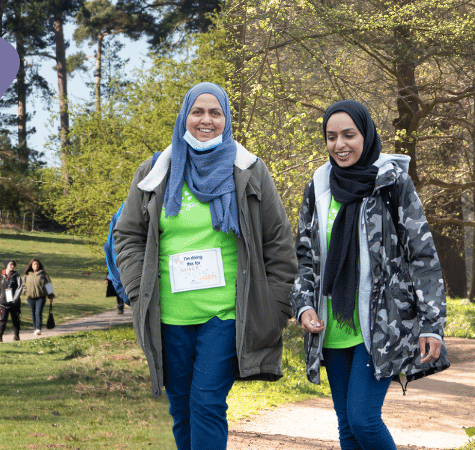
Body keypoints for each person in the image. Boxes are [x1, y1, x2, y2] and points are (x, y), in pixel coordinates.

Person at [113, 82, 297, 450]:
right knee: (181, 409)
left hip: (226, 315)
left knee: (207, 402)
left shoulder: (249, 171)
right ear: (185, 117)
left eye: (215, 112)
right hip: (170, 317)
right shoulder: (155, 172)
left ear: (226, 119)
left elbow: (279, 245)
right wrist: (137, 291)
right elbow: (128, 235)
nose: (206, 120)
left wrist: (274, 308)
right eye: (198, 112)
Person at [290, 100, 449, 450]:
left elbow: (422, 256)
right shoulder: (317, 187)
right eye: (331, 137)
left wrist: (432, 324)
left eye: (349, 135)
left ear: (367, 134)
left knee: (363, 419)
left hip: (380, 326)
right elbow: (305, 257)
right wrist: (304, 306)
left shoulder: (392, 183)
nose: (339, 145)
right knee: (347, 426)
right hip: (331, 326)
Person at [21, 258, 55, 336]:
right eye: (34, 264)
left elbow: (48, 285)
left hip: (41, 297)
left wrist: (51, 296)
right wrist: (25, 292)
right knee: (33, 313)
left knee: (38, 312)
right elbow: (23, 285)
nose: (36, 265)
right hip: (30, 298)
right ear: (31, 265)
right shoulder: (27, 274)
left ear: (39, 265)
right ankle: (35, 328)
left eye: (37, 264)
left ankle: (38, 328)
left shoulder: (43, 274)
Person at [0, 260, 23, 342]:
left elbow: (20, 287)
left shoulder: (16, 276)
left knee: (15, 319)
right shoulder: (0, 275)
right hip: (3, 303)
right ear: (6, 265)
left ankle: (16, 335)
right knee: (2, 319)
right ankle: (0, 335)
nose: (12, 266)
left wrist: (15, 298)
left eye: (13, 265)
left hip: (14, 303)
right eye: (11, 264)